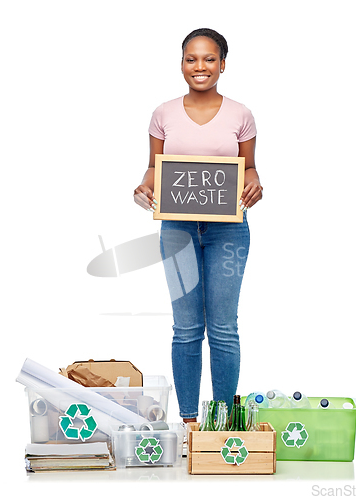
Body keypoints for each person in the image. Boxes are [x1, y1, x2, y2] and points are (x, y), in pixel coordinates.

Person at [134, 28, 263, 424]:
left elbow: (250, 168)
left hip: (228, 230)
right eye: (192, 59)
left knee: (223, 327)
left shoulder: (241, 114)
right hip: (178, 230)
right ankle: (190, 422)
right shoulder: (163, 114)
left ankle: (222, 422)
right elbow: (155, 169)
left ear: (223, 64)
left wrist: (255, 183)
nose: (200, 66)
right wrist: (142, 189)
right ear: (182, 64)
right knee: (187, 327)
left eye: (209, 59)